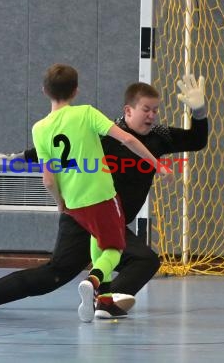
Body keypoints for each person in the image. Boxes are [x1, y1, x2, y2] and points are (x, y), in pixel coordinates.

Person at [0, 74, 208, 320]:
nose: (152, 116)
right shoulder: (104, 132)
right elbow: (47, 151)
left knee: (142, 260)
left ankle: (104, 300)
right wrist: (12, 159)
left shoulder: (159, 136)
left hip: (111, 219)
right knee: (56, 274)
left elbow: (197, 140)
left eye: (155, 110)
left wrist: (199, 112)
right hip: (84, 215)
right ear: (128, 110)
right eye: (146, 109)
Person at [34, 64, 173, 322]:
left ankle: (105, 302)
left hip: (74, 202)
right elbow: (129, 140)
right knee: (114, 248)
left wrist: (60, 204)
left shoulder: (39, 128)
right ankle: (94, 281)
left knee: (97, 243)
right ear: (76, 91)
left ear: (44, 91)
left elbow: (48, 180)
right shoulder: (86, 113)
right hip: (101, 196)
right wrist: (158, 164)